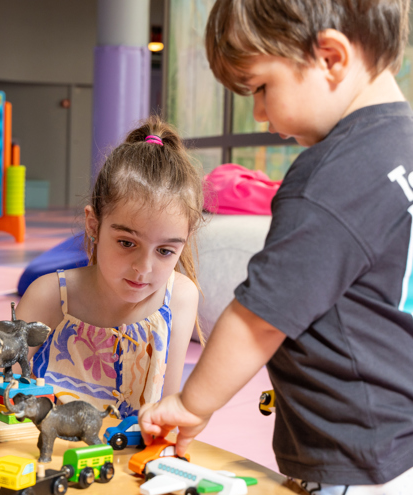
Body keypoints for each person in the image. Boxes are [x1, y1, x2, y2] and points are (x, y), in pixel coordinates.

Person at [139, 0, 413, 493]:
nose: (261, 114)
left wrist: (191, 403)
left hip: (358, 456)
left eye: (262, 88)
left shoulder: (329, 179)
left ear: (330, 57)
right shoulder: (405, 149)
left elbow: (260, 317)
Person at [15, 116, 205, 418]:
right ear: (94, 225)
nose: (144, 268)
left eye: (166, 251)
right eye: (127, 243)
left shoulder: (180, 297)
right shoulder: (47, 297)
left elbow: (167, 413)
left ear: (185, 241)